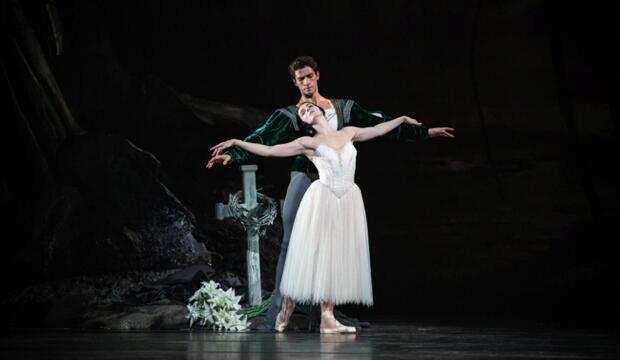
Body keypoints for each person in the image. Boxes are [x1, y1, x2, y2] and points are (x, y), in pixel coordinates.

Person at [207, 56, 454, 330]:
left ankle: (324, 315)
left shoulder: (344, 110)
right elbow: (263, 140)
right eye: (300, 79)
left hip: (342, 185)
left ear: (317, 76)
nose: (305, 82)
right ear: (294, 82)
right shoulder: (290, 115)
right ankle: (278, 312)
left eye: (309, 76)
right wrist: (233, 153)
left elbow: (379, 124)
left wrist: (424, 132)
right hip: (307, 177)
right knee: (293, 242)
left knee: (333, 246)